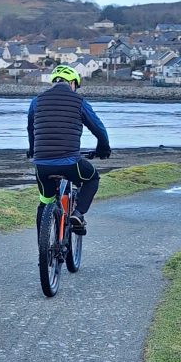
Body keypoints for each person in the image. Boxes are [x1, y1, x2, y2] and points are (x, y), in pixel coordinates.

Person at [26, 65, 111, 235]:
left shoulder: (36, 101)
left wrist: (33, 150)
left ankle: (43, 250)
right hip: (70, 163)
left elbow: (31, 128)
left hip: (42, 165)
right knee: (92, 178)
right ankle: (78, 214)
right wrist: (103, 148)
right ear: (72, 83)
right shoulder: (79, 102)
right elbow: (98, 128)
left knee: (45, 202)